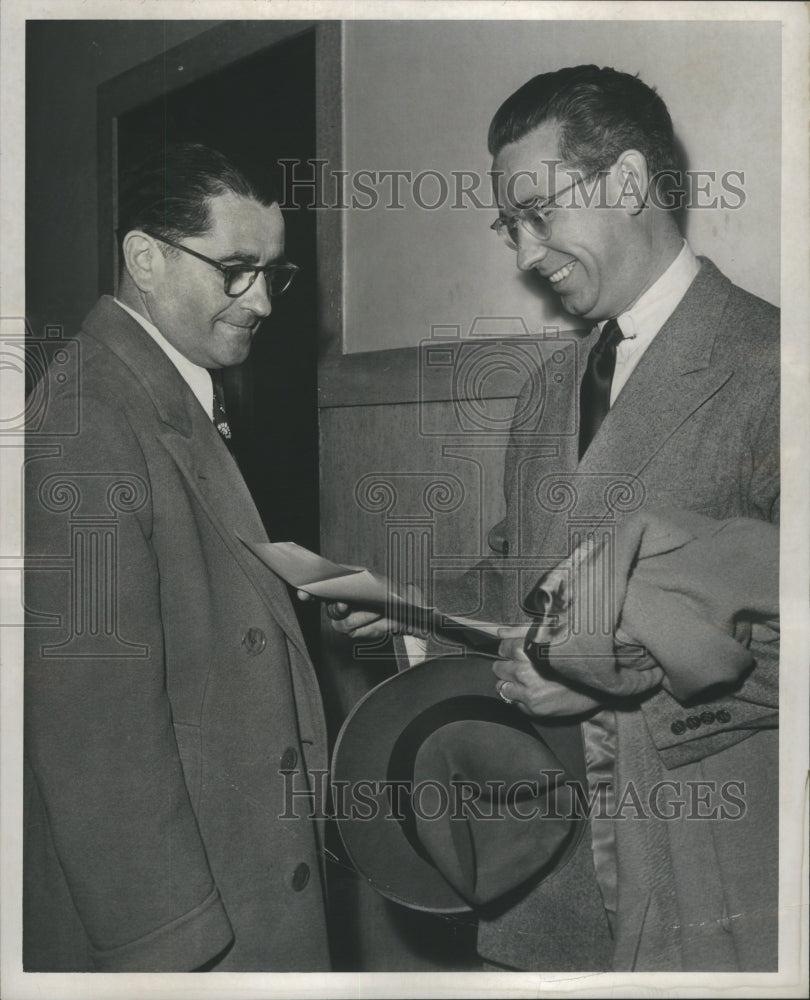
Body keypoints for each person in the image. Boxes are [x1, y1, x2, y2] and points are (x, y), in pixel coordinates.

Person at [318, 66, 779, 971]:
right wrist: (407, 611)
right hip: (535, 880)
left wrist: (616, 678)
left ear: (631, 182)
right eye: (510, 226)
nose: (526, 255)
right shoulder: (548, 388)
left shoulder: (772, 366)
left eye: (539, 215)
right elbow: (517, 583)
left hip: (694, 877)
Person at [24, 143, 331, 972]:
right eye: (235, 269)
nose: (261, 299)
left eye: (273, 272)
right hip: (192, 919)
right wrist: (170, 957)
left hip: (237, 862)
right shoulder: (86, 416)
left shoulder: (164, 383)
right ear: (144, 259)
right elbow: (94, 726)